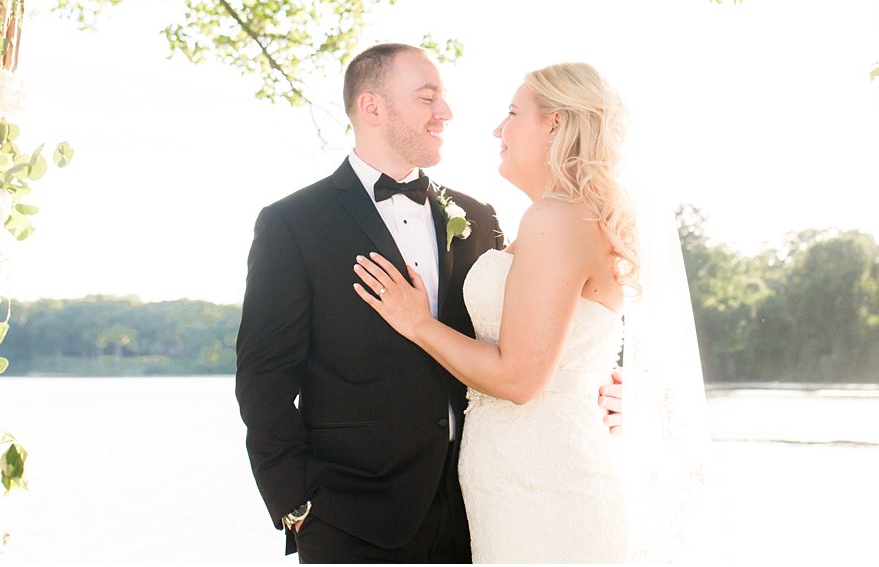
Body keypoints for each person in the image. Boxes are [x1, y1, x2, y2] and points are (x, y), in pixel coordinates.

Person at [236, 45, 624, 563]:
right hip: (352, 520)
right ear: (372, 108)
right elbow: (263, 377)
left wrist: (607, 382)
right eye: (427, 98)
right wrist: (294, 504)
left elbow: (554, 323)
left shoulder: (478, 217)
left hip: (480, 510)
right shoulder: (294, 224)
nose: (446, 112)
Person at [354, 62, 638, 563]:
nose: (496, 129)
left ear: (555, 123)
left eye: (511, 113)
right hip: (527, 477)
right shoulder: (576, 217)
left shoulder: (554, 219)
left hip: (542, 487)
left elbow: (519, 379)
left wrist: (419, 323)